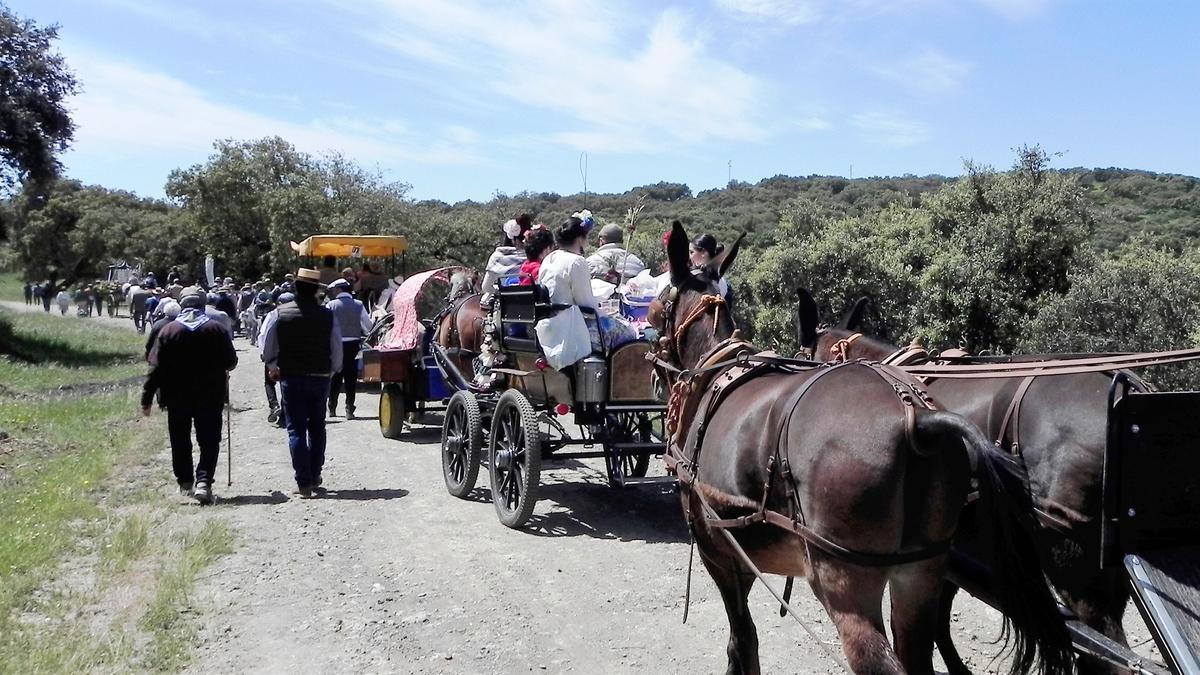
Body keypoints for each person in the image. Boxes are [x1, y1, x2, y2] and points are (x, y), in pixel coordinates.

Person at [141, 293, 238, 504]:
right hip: (210, 395)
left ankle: (185, 482)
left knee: (180, 439)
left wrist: (147, 398)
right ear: (202, 306)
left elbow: (155, 368)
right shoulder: (216, 329)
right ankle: (204, 482)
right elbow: (231, 362)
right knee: (209, 440)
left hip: (176, 396)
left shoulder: (169, 330)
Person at [259, 269, 342, 498]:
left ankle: (303, 483)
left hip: (292, 377)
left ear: (295, 287)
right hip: (320, 377)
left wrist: (274, 364)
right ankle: (315, 476)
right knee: (317, 427)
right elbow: (336, 347)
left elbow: (268, 350)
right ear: (316, 290)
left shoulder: (280, 314)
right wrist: (333, 370)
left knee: (296, 430)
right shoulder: (327, 315)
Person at [325, 279, 373, 419]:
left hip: (336, 344)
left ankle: (332, 407)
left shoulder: (331, 305)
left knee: (335, 376)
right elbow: (368, 325)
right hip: (353, 344)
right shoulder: (358, 305)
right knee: (351, 377)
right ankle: (349, 409)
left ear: (338, 290)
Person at [480, 214, 533, 305]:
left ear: (512, 239)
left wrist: (500, 290)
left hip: (507, 304)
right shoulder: (536, 255)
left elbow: (486, 287)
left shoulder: (498, 257)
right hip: (532, 303)